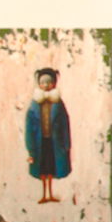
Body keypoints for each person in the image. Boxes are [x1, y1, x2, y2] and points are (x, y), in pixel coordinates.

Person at [25, 67, 72, 203]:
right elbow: (29, 128)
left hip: (54, 141)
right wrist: (31, 147)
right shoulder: (34, 105)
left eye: (49, 82)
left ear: (54, 84)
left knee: (51, 166)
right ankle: (44, 193)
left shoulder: (58, 104)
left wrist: (66, 143)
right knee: (42, 167)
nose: (46, 85)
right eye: (43, 82)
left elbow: (65, 124)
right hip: (40, 142)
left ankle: (50, 193)